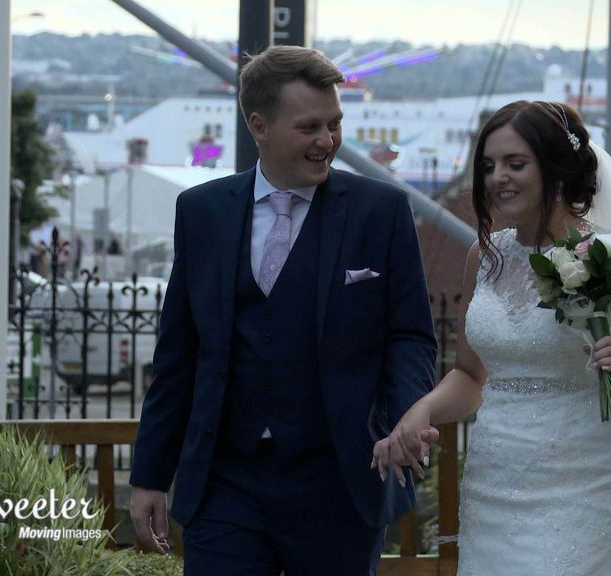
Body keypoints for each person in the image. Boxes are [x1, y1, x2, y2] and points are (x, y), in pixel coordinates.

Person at [372, 100, 611, 575]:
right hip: (495, 479)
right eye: (489, 166)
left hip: (589, 480)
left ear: (554, 169)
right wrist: (423, 409)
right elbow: (471, 377)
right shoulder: (485, 257)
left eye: (516, 164)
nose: (498, 178)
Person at [129, 45, 439, 575]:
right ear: (259, 125)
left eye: (334, 124)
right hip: (225, 484)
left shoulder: (380, 212)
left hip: (339, 482)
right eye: (309, 127)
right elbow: (178, 354)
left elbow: (409, 336)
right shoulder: (201, 212)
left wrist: (405, 418)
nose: (328, 142)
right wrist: (149, 475)